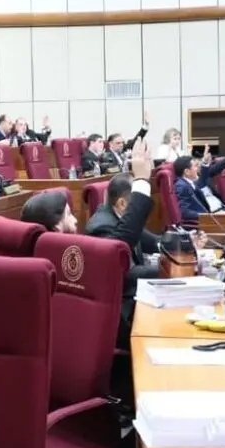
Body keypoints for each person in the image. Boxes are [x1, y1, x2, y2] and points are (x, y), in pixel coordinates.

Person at [85, 137, 155, 345]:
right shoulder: (101, 226)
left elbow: (152, 240)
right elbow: (126, 272)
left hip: (138, 299)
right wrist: (168, 268)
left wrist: (181, 245)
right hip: (121, 314)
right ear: (123, 204)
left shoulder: (119, 217)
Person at [173, 149, 225, 225]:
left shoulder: (189, 183)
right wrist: (207, 216)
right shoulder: (181, 186)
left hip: (209, 218)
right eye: (195, 166)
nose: (197, 169)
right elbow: (184, 212)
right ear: (187, 172)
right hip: (200, 224)